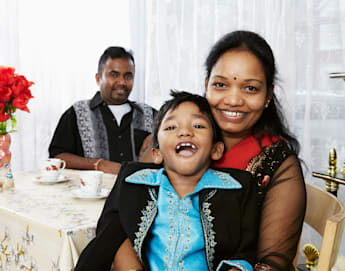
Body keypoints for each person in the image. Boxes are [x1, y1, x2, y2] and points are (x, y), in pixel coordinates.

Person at [130, 30, 306, 271]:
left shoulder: (278, 163)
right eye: (221, 85)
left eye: (251, 88)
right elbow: (127, 216)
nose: (233, 100)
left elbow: (272, 261)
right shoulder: (177, 141)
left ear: (268, 95)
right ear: (206, 86)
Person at [74, 91, 260, 271]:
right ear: (157, 153)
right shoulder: (133, 180)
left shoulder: (238, 188)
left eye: (198, 126)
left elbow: (245, 252)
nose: (185, 132)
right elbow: (109, 235)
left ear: (216, 150)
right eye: (171, 127)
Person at [48, 47, 157, 174]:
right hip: (91, 192)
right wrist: (98, 164)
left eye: (128, 76)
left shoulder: (150, 114)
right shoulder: (77, 113)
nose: (122, 82)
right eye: (114, 75)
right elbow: (57, 157)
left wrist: (158, 136)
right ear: (98, 78)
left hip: (136, 192)